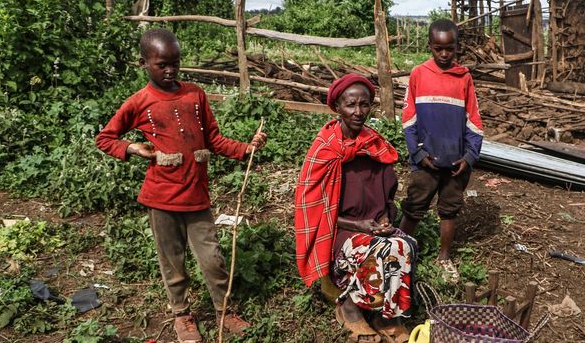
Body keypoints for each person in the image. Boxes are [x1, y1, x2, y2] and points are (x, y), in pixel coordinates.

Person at [95, 28, 267, 343]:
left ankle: (223, 309)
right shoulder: (140, 102)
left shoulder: (195, 94)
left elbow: (213, 139)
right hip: (161, 199)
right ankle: (182, 315)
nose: (171, 70)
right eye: (162, 64)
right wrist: (134, 148)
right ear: (143, 63)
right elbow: (105, 138)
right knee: (172, 262)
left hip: (197, 197)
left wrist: (247, 148)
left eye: (175, 62)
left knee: (212, 258)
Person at [295, 74, 414, 343]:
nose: (358, 112)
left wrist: (385, 217)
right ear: (337, 107)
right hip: (338, 232)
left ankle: (386, 315)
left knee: (403, 245)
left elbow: (388, 198)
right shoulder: (325, 150)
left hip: (371, 226)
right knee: (371, 248)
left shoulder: (375, 146)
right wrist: (356, 226)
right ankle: (349, 307)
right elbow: (315, 211)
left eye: (364, 104)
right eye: (351, 105)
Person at [398, 19, 483, 282]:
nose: (444, 54)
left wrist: (469, 157)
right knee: (414, 205)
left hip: (455, 160)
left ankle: (444, 257)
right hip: (426, 161)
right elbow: (409, 119)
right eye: (438, 49)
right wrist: (418, 154)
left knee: (449, 209)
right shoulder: (418, 75)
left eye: (450, 49)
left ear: (457, 47)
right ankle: (398, 253)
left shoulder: (464, 78)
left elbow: (474, 121)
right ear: (430, 46)